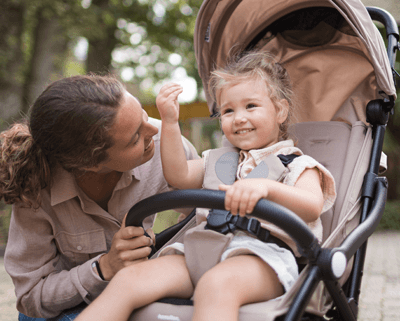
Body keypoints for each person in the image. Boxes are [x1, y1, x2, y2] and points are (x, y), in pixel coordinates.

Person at [75, 52, 336, 321]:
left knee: (217, 285)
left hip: (261, 257)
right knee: (129, 279)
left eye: (251, 106)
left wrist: (266, 189)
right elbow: (178, 176)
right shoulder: (220, 160)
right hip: (201, 250)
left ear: (280, 110)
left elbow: (312, 206)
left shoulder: (296, 164)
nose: (239, 118)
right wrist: (170, 123)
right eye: (228, 110)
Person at [0, 74, 199, 321]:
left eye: (144, 115)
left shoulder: (165, 144)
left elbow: (209, 208)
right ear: (91, 164)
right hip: (67, 309)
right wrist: (105, 267)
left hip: (136, 292)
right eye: (135, 137)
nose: (153, 130)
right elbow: (31, 298)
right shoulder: (35, 188)